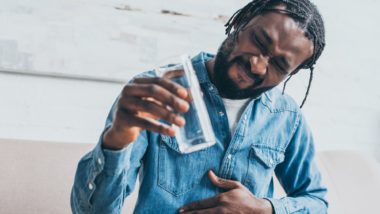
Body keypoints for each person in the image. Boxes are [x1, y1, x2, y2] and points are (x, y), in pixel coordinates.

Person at [71, 0, 327, 213]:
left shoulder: (287, 118)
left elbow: (316, 202)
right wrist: (118, 137)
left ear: (291, 74)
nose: (258, 66)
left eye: (280, 65)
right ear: (239, 23)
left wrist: (265, 208)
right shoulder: (155, 93)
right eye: (259, 41)